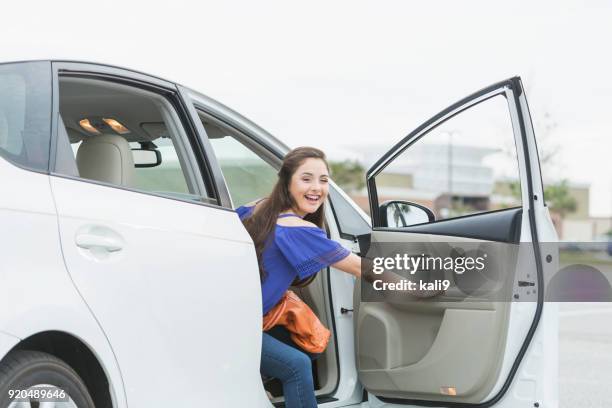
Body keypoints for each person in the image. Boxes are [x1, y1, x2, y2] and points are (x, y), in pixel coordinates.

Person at [236, 146, 362, 408]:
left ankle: (254, 383)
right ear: (286, 181)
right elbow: (363, 269)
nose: (316, 187)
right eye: (306, 179)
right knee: (296, 365)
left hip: (238, 315)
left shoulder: (256, 209)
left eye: (323, 180)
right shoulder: (298, 228)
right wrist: (415, 284)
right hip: (238, 325)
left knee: (308, 342)